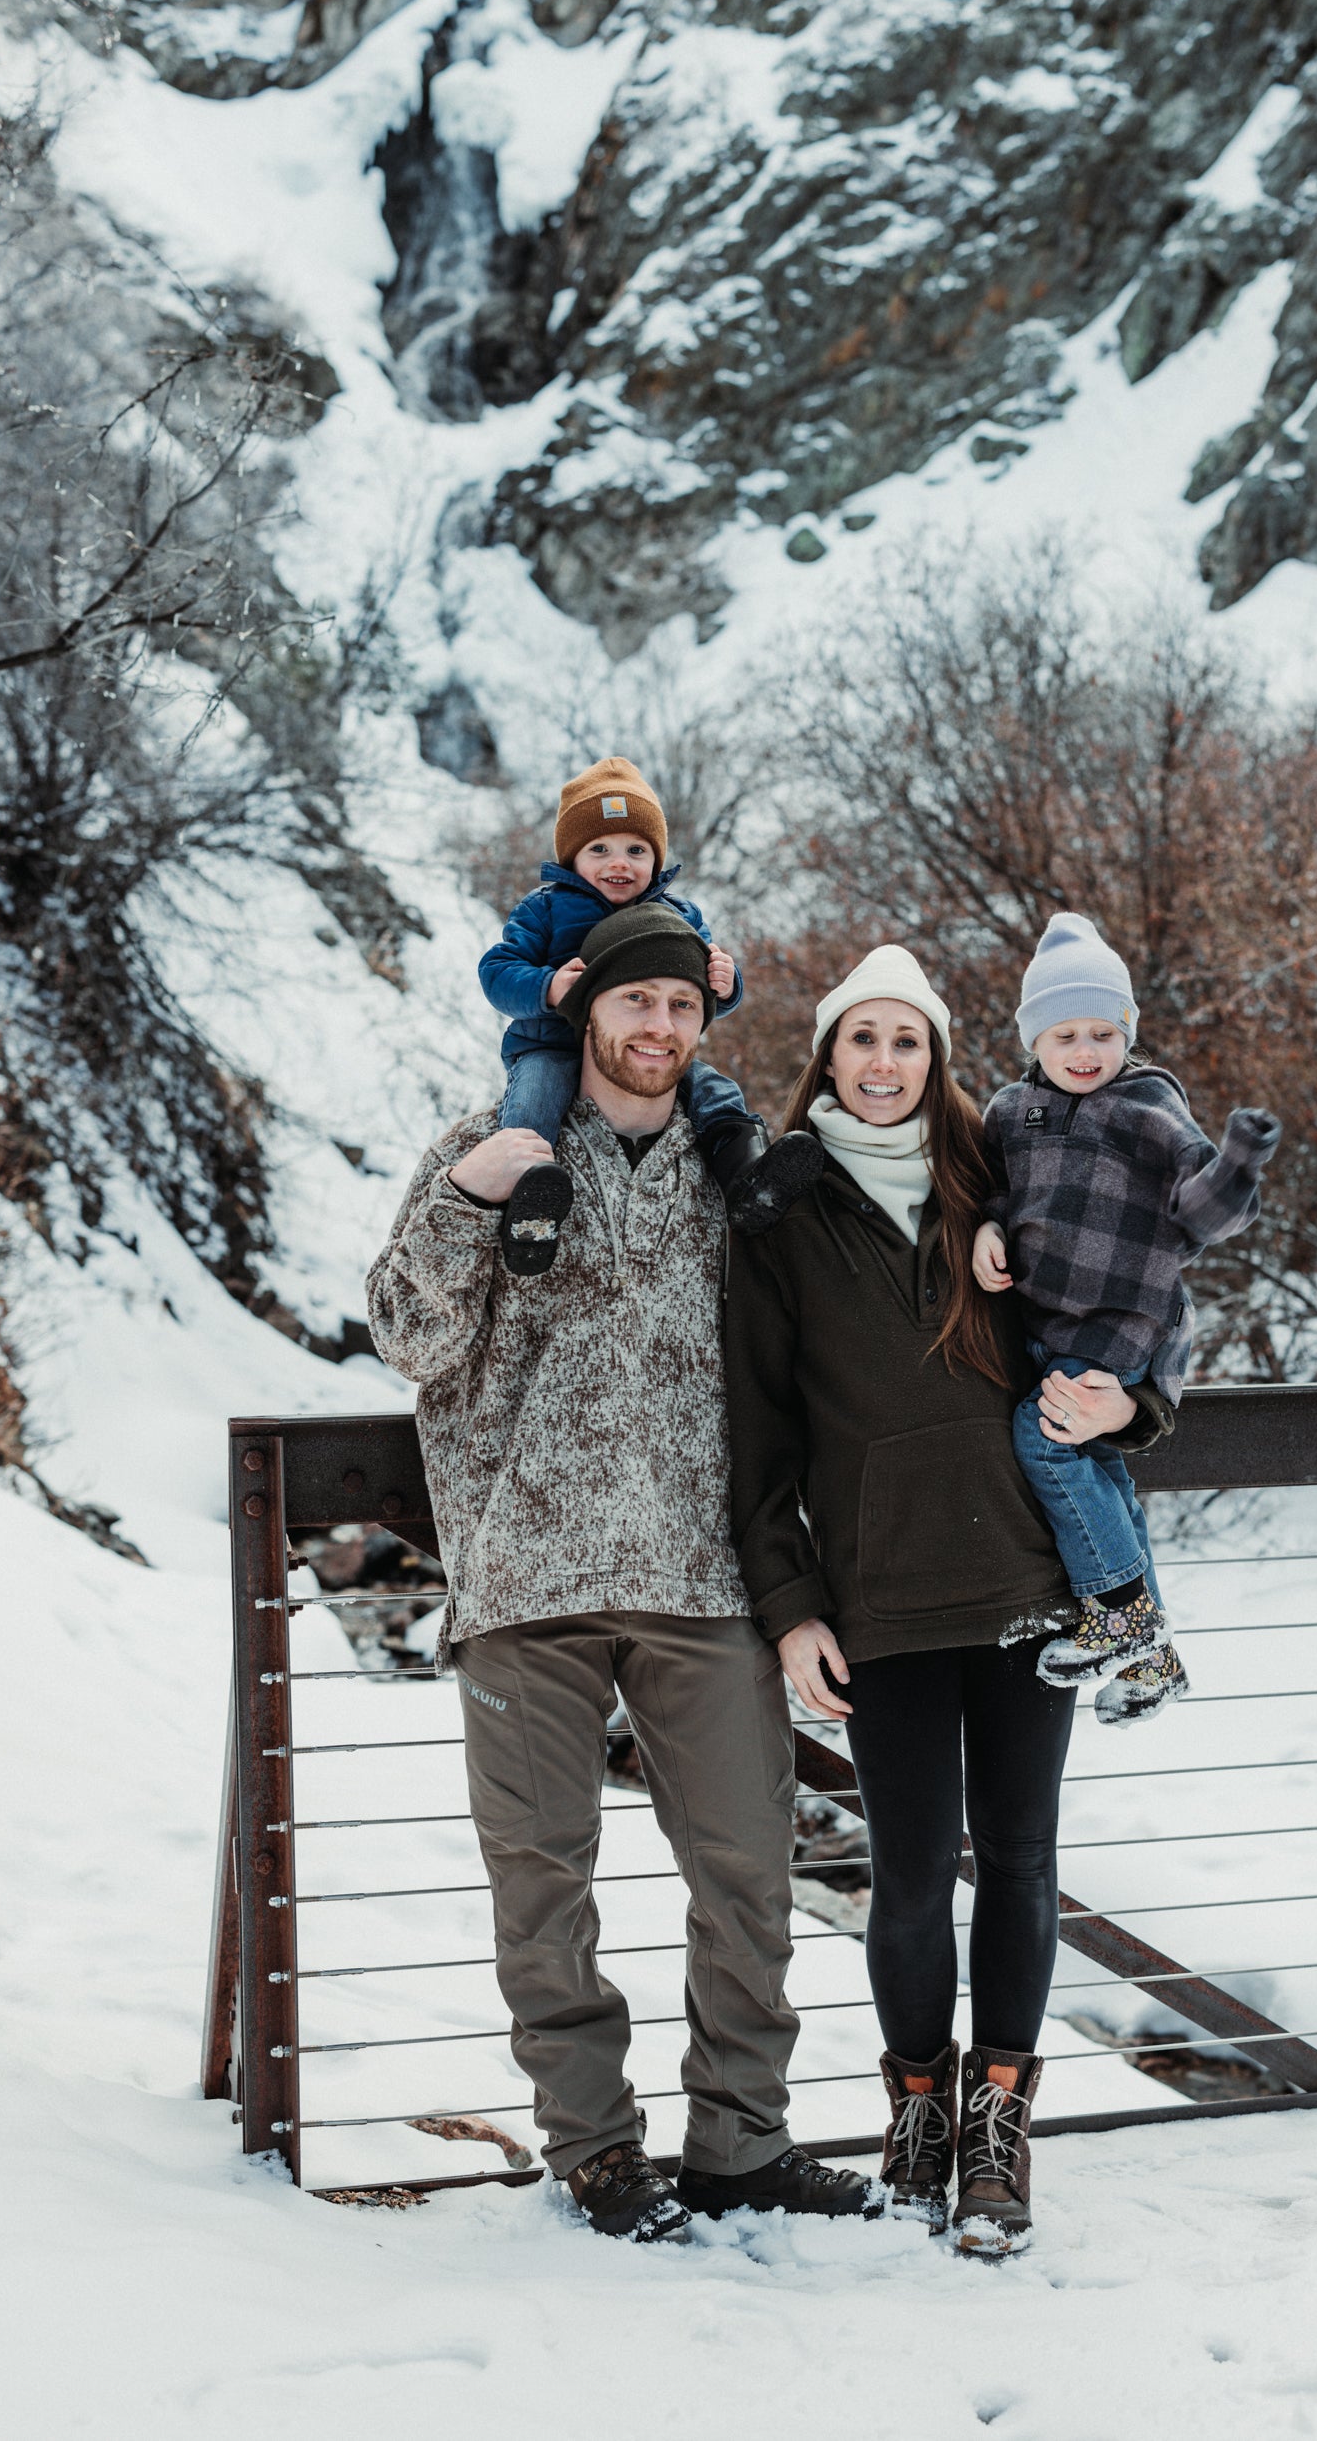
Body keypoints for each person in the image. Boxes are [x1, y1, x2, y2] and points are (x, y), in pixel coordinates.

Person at [367, 903, 877, 2244]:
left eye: (679, 1006)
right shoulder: (494, 1144)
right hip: (523, 1574)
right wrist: (466, 1203)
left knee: (748, 1872)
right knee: (542, 1887)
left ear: (702, 1020)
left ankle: (740, 2146)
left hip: (704, 1575)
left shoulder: (737, 1165)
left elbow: (823, 1349)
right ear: (586, 1005)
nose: (657, 1026)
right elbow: (407, 1334)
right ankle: (594, 2153)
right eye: (634, 1002)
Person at [723, 944, 1172, 2256]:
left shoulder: (1004, 1168)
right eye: (860, 1039)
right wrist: (789, 1603)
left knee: (1020, 1861)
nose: (883, 1063)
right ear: (827, 1055)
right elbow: (755, 1435)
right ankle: (917, 2111)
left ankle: (997, 2128)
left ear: (936, 1057)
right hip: (880, 1595)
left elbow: (1138, 1287)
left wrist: (1134, 1405)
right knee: (912, 1875)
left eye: (906, 1040)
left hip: (1028, 1580)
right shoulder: (780, 1208)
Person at [976, 912, 1279, 1714]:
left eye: (1103, 1034)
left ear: (1126, 1033)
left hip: (1121, 1318)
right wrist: (985, 1226)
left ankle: (1119, 1618)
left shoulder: (1147, 1107)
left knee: (1044, 1440)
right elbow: (988, 1188)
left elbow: (1202, 1211)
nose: (1085, 1051)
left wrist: (1239, 1162)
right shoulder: (1010, 1111)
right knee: (1101, 1471)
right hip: (1043, 1324)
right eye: (1065, 1035)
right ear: (1033, 1039)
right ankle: (1154, 1659)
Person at [477, 755, 820, 1273]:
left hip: (647, 1051)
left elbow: (700, 989)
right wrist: (547, 987)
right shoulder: (545, 908)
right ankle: (528, 1203)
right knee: (534, 1104)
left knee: (714, 1089)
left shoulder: (678, 915)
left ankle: (747, 1176)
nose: (619, 864)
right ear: (572, 857)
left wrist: (726, 984)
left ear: (656, 860)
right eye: (600, 849)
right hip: (550, 1044)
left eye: (636, 850)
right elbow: (497, 971)